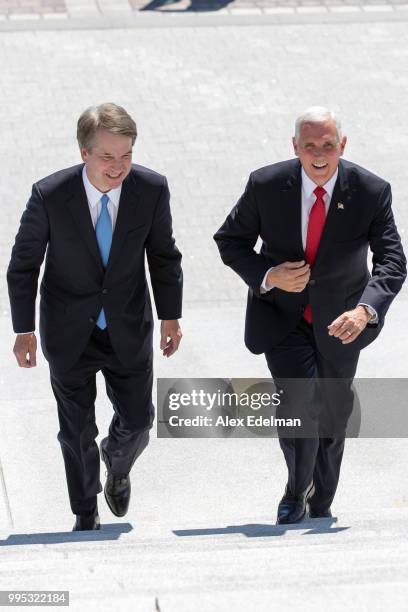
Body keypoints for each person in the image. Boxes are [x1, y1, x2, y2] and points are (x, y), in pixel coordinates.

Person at [214, 106, 406, 524]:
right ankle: (295, 490)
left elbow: (392, 260)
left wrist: (365, 310)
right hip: (281, 318)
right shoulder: (265, 185)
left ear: (343, 146)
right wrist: (268, 274)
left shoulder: (371, 190)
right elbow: (230, 240)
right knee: (299, 403)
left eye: (329, 146)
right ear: (295, 147)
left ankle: (321, 498)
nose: (319, 155)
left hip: (342, 321)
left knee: (332, 410)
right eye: (310, 146)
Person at [7, 103, 183, 531]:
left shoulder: (152, 189)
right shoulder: (50, 195)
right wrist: (23, 329)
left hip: (128, 326)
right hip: (69, 330)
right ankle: (85, 513)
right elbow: (23, 264)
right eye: (108, 156)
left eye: (126, 156)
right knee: (75, 430)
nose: (118, 166)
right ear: (84, 152)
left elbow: (163, 257)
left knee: (140, 421)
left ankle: (117, 462)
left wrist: (170, 317)